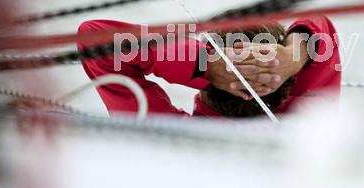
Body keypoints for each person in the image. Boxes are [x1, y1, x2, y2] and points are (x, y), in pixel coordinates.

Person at [78, 16, 341, 118]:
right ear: (289, 79)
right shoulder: (310, 131)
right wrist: (290, 57)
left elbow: (95, 38)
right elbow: (322, 27)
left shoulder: (166, 141)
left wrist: (203, 65)